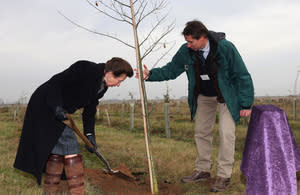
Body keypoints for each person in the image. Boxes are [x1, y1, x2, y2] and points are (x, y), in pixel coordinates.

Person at [137, 20, 254, 192]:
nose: (188, 45)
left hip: (226, 97)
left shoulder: (226, 48)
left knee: (226, 133)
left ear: (203, 37)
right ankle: (203, 170)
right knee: (201, 132)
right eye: (187, 41)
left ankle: (223, 175)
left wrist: (246, 103)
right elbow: (172, 69)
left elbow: (242, 75)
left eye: (191, 41)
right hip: (204, 96)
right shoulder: (186, 52)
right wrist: (150, 75)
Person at [14, 57, 133, 195]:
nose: (118, 85)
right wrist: (57, 107)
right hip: (45, 103)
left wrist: (90, 135)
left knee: (58, 148)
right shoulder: (85, 68)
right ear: (111, 73)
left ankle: (50, 190)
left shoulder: (102, 87)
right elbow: (56, 82)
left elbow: (89, 110)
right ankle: (77, 192)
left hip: (59, 110)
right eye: (119, 81)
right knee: (71, 146)